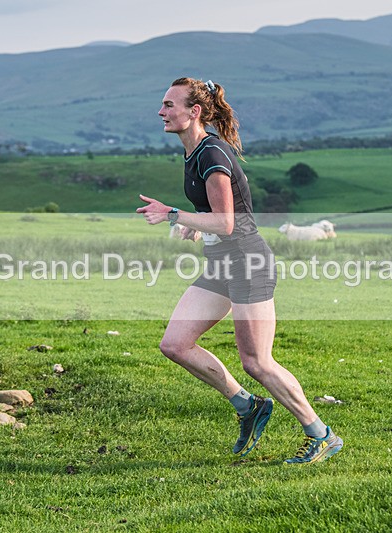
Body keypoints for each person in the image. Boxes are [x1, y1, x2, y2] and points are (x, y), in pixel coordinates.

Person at [136, 77, 342, 464]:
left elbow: (228, 223)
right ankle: (248, 406)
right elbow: (214, 216)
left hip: (248, 263)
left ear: (193, 112)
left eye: (168, 105)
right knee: (175, 344)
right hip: (222, 265)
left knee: (257, 361)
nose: (161, 112)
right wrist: (189, 222)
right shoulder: (194, 151)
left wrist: (175, 214)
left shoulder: (212, 155)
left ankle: (322, 434)